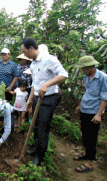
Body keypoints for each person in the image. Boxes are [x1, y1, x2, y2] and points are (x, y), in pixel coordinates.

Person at [22, 38, 68, 166]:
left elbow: (64, 74)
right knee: (36, 126)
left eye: (25, 52)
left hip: (48, 98)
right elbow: (35, 85)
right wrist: (30, 100)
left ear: (31, 48)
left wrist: (47, 84)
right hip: (37, 98)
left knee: (42, 128)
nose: (24, 55)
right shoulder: (33, 64)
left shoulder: (49, 59)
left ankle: (39, 157)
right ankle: (36, 149)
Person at [73, 55, 107, 173]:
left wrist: (99, 114)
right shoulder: (86, 77)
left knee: (91, 138)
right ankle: (86, 154)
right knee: (84, 134)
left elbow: (105, 97)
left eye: (84, 68)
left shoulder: (103, 78)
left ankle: (89, 164)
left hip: (94, 112)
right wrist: (80, 105)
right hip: (85, 109)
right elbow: (88, 92)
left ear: (91, 67)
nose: (82, 71)